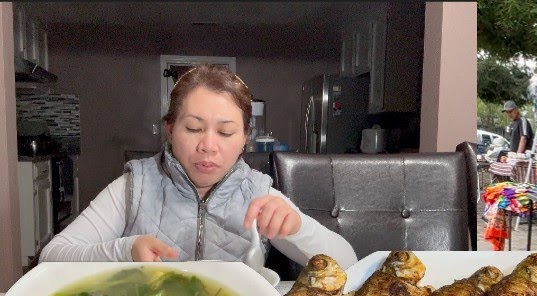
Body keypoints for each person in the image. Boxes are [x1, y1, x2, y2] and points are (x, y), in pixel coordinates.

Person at [40, 65, 356, 267]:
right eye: (193, 128)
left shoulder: (258, 193)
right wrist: (126, 250)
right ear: (170, 130)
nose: (207, 145)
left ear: (245, 137)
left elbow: (347, 264)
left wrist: (298, 228)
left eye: (226, 131)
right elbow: (52, 257)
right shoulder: (134, 185)